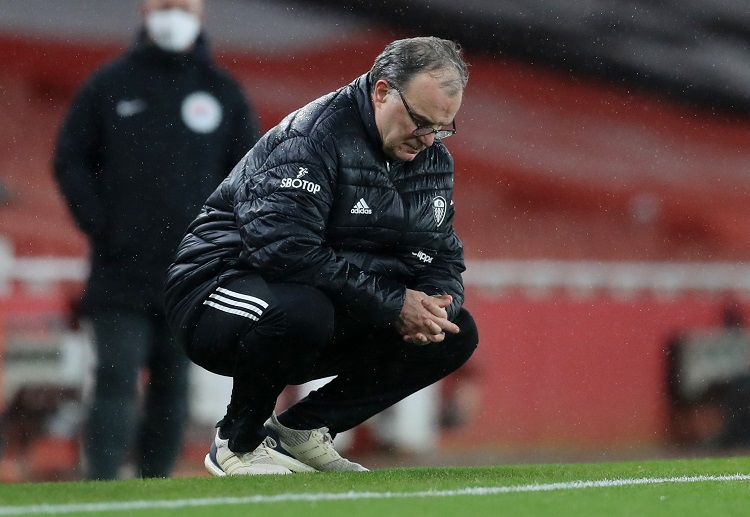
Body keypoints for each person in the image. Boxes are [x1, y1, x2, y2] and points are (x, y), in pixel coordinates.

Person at [165, 36, 479, 476]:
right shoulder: (311, 138)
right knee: (303, 310)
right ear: (382, 92)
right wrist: (394, 302)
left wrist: (435, 303)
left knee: (454, 331)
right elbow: (284, 252)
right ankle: (236, 442)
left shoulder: (432, 160)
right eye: (420, 121)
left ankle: (303, 431)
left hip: (315, 304)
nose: (428, 139)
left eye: (442, 128)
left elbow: (442, 254)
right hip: (214, 291)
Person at [53, 0, 261, 480]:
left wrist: (219, 242)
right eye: (164, 5)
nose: (173, 15)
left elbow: (251, 173)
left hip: (192, 273)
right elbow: (70, 160)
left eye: (182, 5)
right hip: (119, 270)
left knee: (174, 385)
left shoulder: (222, 91)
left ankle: (155, 489)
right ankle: (101, 489)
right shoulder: (109, 85)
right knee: (114, 376)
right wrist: (103, 227)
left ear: (201, 12)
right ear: (145, 9)